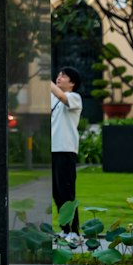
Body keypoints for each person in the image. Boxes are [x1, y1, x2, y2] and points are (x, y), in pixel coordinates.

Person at [51, 66, 84, 235]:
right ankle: (65, 230)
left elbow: (61, 96)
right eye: (58, 75)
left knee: (67, 192)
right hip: (51, 151)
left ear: (72, 83)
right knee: (56, 193)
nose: (59, 78)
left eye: (63, 76)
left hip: (65, 151)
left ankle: (74, 232)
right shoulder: (52, 97)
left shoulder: (74, 97)